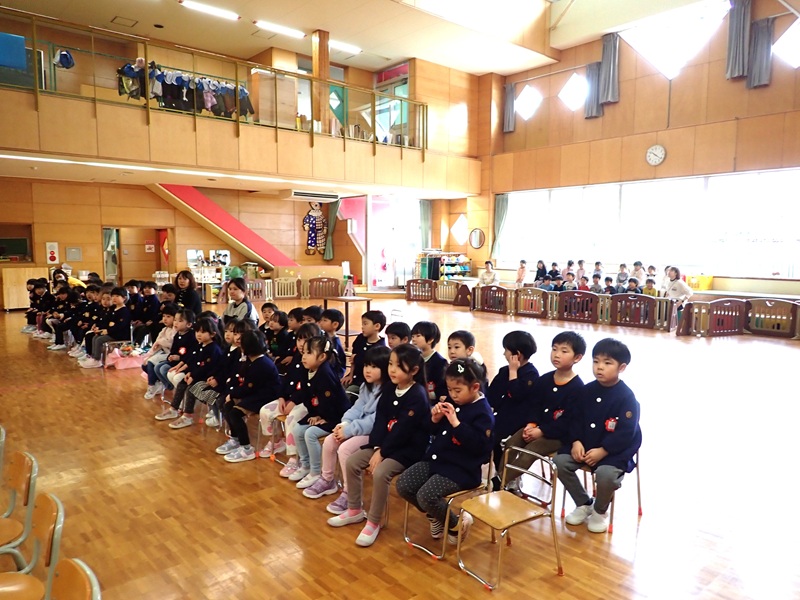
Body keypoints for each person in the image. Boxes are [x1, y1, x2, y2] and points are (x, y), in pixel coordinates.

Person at [328, 344, 430, 547]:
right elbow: (381, 420)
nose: (392, 370)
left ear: (414, 370)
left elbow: (403, 431)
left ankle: (374, 521)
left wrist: (382, 452)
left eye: (399, 366)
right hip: (385, 445)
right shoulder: (390, 388)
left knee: (381, 472)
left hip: (407, 450)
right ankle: (355, 509)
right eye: (391, 364)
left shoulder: (417, 395)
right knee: (352, 462)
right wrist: (376, 448)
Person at [396, 358, 494, 544]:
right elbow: (431, 430)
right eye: (449, 390)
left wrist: (456, 424)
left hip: (461, 469)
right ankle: (437, 517)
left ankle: (456, 527)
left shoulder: (483, 413)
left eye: (458, 390)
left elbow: (481, 447)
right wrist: (434, 419)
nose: (452, 395)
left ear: (475, 387)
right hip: (437, 460)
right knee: (404, 485)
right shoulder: (452, 401)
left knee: (426, 496)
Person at [554, 338, 641, 534]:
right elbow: (575, 419)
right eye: (596, 361)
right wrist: (576, 441)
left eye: (607, 363)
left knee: (606, 475)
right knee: (560, 462)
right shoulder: (586, 391)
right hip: (585, 445)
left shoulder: (626, 397)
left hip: (613, 451)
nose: (599, 367)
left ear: (622, 367)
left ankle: (600, 511)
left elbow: (626, 432)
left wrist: (604, 450)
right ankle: (584, 503)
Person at [309, 346, 391, 508]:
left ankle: (350, 493)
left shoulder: (388, 391)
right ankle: (327, 480)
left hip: (375, 434)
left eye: (374, 367)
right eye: (366, 365)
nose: (368, 370)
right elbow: (357, 408)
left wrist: (349, 430)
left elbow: (374, 421)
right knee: (330, 441)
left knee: (345, 449)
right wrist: (344, 424)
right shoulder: (366, 386)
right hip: (358, 427)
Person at [503, 332, 585, 489]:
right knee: (511, 443)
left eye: (564, 351)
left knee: (531, 450)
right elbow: (534, 405)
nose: (557, 354)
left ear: (577, 358)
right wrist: (531, 424)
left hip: (557, 436)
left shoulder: (578, 388)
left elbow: (567, 422)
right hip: (536, 427)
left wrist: (542, 431)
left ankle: (500, 482)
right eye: (554, 349)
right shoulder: (545, 379)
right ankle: (504, 480)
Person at [257, 323, 321, 469]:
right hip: (289, 399)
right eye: (299, 339)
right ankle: (277, 441)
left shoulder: (313, 362)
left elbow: (307, 388)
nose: (301, 343)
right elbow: (286, 380)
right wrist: (281, 397)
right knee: (265, 411)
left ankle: (294, 457)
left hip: (305, 403)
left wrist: (293, 401)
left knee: (291, 421)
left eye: (306, 340)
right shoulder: (297, 357)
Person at [291, 336, 351, 489]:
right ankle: (305, 465)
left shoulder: (325, 374)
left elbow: (332, 403)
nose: (304, 356)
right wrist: (314, 415)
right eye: (304, 352)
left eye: (309, 353)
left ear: (322, 357)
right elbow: (306, 397)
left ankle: (316, 472)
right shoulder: (305, 370)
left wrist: (324, 418)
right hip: (319, 413)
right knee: (297, 430)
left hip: (336, 416)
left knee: (310, 434)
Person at [216, 330, 281, 463]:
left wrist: (232, 394)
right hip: (255, 393)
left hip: (266, 397)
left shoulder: (261, 364)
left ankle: (246, 448)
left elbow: (249, 387)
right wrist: (232, 394)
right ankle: (235, 439)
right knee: (227, 405)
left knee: (235, 413)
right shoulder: (251, 360)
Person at [487, 330, 539, 487]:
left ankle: (508, 477)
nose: (504, 353)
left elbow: (516, 394)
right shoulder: (504, 371)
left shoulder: (531, 374)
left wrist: (513, 372)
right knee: (490, 436)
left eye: (506, 350)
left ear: (517, 355)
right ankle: (501, 473)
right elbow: (492, 395)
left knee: (502, 440)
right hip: (502, 416)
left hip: (519, 420)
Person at [157, 317, 225, 427]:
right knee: (181, 384)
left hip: (208, 379)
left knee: (191, 389)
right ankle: (173, 409)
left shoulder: (213, 349)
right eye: (197, 331)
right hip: (198, 376)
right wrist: (189, 373)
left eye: (203, 332)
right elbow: (193, 362)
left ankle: (187, 416)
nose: (199, 334)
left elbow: (206, 368)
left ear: (212, 334)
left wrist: (193, 376)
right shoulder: (200, 345)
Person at [79, 287, 131, 369]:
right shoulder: (114, 309)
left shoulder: (124, 311)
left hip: (119, 335)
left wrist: (108, 331)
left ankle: (97, 360)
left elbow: (120, 326)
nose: (114, 298)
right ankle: (93, 357)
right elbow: (107, 322)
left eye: (117, 296)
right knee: (95, 337)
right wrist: (100, 329)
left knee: (99, 340)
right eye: (113, 296)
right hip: (111, 332)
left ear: (124, 298)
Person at [153, 309, 197, 399]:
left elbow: (190, 354)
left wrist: (179, 358)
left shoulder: (191, 336)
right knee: (157, 367)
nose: (176, 323)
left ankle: (177, 390)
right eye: (175, 320)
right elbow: (173, 349)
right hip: (175, 361)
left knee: (164, 369)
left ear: (189, 324)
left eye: (180, 321)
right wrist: (171, 356)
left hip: (183, 363)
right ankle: (170, 386)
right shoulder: (177, 334)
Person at [342, 310, 387, 397]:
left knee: (347, 396)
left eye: (365, 324)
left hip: (366, 382)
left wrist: (357, 358)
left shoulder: (380, 348)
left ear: (377, 326)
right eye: (362, 324)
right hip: (354, 377)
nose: (362, 327)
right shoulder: (360, 338)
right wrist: (350, 375)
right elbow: (353, 359)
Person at [142, 303, 178, 399]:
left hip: (171, 355)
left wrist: (161, 342)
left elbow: (171, 343)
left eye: (168, 316)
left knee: (151, 363)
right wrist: (149, 355)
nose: (165, 319)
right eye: (163, 316)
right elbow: (156, 345)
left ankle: (152, 385)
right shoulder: (164, 330)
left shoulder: (176, 330)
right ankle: (157, 383)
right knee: (145, 364)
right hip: (164, 353)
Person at [410, 321, 448, 403]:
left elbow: (441, 388)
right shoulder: (414, 358)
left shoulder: (440, 362)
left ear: (430, 339)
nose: (413, 339)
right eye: (412, 336)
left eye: (418, 336)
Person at [319, 308, 347, 378]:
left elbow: (336, 362)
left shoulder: (335, 342)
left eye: (325, 320)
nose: (321, 323)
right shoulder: (321, 336)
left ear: (335, 324)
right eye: (321, 320)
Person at [264, 311, 294, 375]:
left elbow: (282, 349)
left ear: (283, 324)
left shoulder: (284, 335)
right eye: (271, 320)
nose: (271, 323)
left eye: (275, 321)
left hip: (279, 357)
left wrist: (273, 354)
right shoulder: (269, 332)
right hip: (271, 354)